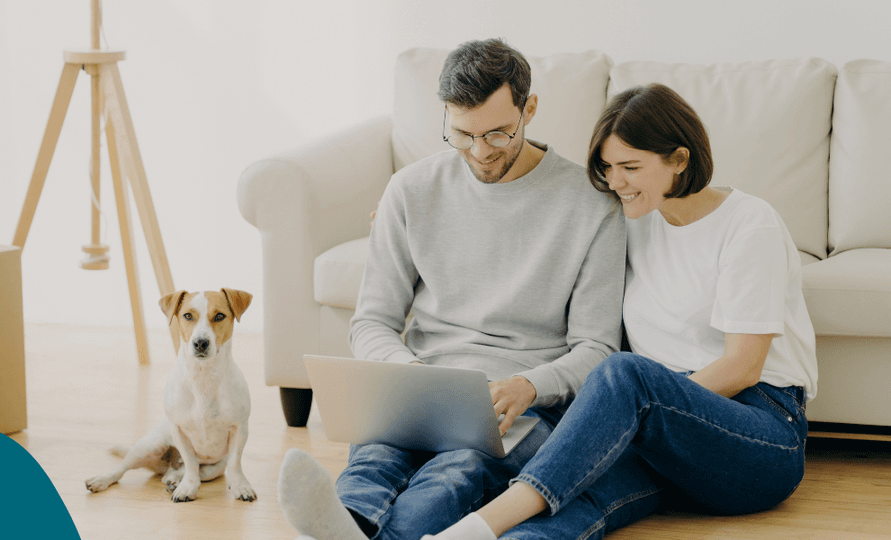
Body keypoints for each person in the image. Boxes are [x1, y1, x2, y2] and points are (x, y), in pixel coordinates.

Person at [426, 83, 818, 540]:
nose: (615, 183)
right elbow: (538, 226)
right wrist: (417, 211)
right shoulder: (631, 219)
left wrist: (641, 407)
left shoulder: (749, 224)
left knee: (624, 374)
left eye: (631, 167)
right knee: (566, 502)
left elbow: (742, 367)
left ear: (680, 159)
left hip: (759, 433)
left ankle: (477, 527)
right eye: (608, 168)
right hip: (658, 432)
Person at [276, 38, 633, 540]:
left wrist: (529, 386)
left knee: (456, 473)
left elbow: (598, 349)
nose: (480, 152)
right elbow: (373, 321)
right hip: (418, 390)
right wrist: (411, 377)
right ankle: (349, 523)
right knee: (373, 461)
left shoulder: (592, 205)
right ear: (443, 115)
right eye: (462, 135)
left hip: (521, 406)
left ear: (529, 109)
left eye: (498, 134)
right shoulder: (410, 189)